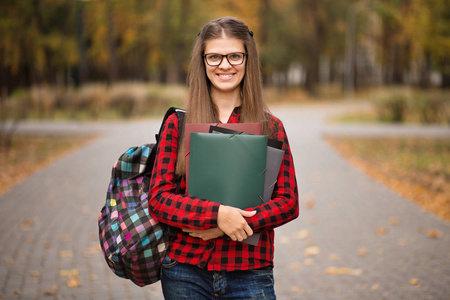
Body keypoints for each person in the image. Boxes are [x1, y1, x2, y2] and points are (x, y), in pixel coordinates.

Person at [148, 16, 299, 299]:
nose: (225, 65)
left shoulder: (271, 127)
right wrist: (217, 216)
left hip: (249, 273)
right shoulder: (177, 124)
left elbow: (288, 203)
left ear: (247, 60)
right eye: (215, 56)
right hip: (185, 271)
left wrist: (231, 225)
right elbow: (159, 198)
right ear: (203, 61)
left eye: (234, 56)